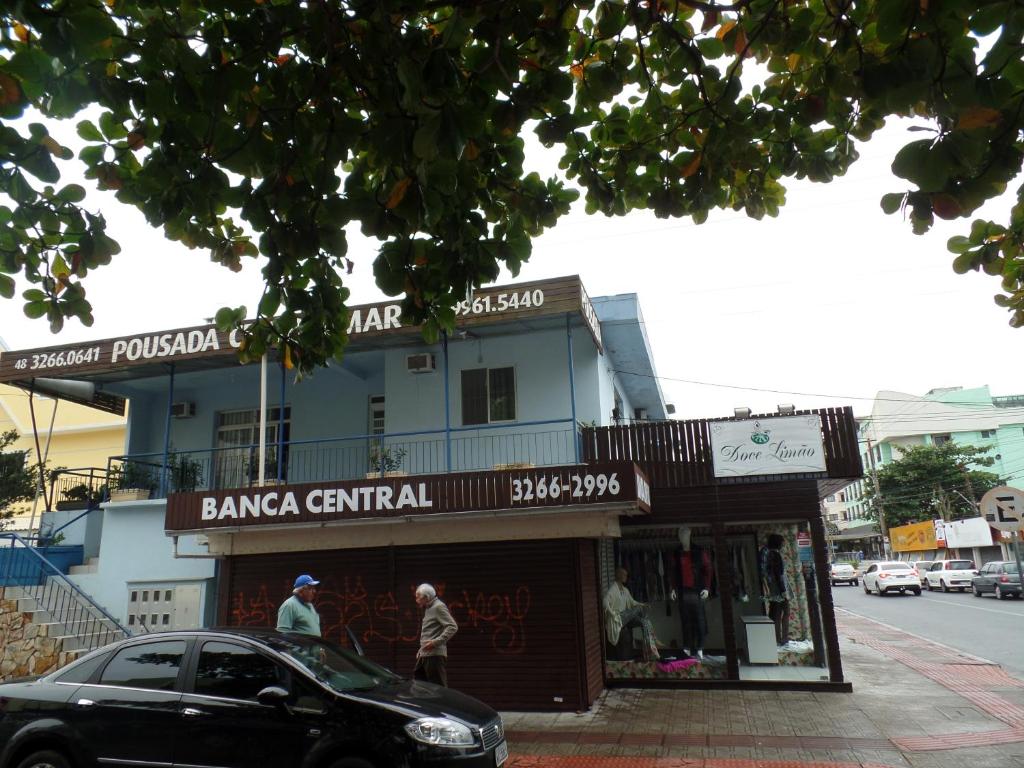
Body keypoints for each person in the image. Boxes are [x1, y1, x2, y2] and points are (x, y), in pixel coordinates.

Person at [604, 567, 659, 661]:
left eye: (626, 575)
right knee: (638, 609)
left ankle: (650, 651)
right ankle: (653, 642)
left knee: (644, 622)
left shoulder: (625, 590)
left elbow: (632, 602)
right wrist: (612, 613)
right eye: (624, 574)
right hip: (618, 618)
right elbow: (605, 601)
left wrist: (643, 604)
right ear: (618, 575)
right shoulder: (613, 589)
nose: (626, 577)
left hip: (626, 619)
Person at [676, 526, 712, 658]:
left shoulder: (699, 551)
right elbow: (673, 571)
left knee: (700, 619)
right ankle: (687, 646)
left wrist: (707, 588)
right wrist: (673, 588)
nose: (682, 537)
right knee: (686, 620)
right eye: (680, 534)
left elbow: (708, 570)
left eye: (684, 534)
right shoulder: (677, 552)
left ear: (690, 535)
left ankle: (700, 647)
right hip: (683, 591)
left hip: (697, 590)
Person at [414, 583, 458, 687]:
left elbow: (452, 627)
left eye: (418, 596)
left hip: (434, 655)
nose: (416, 599)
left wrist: (435, 642)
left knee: (438, 688)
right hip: (425, 654)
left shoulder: (438, 607)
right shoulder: (429, 608)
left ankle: (444, 704)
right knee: (420, 685)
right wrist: (422, 650)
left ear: (427, 597)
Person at [759, 533, 790, 646]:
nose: (784, 544)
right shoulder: (775, 555)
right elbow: (779, 574)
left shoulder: (767, 552)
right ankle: (782, 639)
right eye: (782, 542)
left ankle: (777, 638)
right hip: (778, 588)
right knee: (783, 611)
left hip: (773, 586)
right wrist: (783, 590)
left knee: (775, 612)